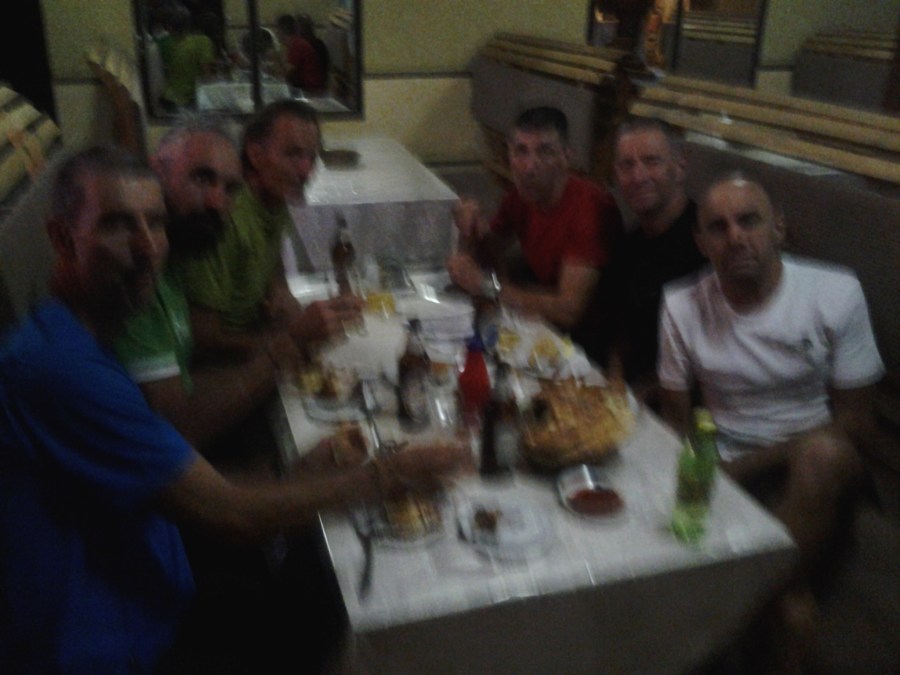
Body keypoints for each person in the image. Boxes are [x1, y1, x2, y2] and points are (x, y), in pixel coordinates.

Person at [0, 146, 468, 672]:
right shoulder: (59, 372)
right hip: (114, 641)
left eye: (155, 223)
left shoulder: (72, 338)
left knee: (316, 556)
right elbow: (231, 515)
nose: (147, 247)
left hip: (149, 572)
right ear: (62, 237)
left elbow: (175, 482)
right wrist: (389, 474)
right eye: (116, 225)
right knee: (337, 613)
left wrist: (291, 474)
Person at [658, 173, 885, 667]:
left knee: (821, 457)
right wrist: (696, 476)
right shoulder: (680, 303)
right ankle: (787, 595)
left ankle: (742, 602)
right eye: (718, 227)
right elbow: (676, 423)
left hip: (816, 457)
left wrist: (743, 466)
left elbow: (857, 421)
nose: (736, 237)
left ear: (778, 227)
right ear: (701, 242)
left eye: (749, 221)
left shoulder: (835, 291)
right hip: (723, 452)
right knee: (791, 611)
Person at [114, 118, 300, 452]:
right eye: (202, 178)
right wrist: (284, 349)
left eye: (230, 190)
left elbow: (188, 380)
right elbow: (179, 428)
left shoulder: (173, 257)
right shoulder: (133, 277)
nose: (218, 203)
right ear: (156, 170)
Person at [175, 100, 362, 358]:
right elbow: (203, 338)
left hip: (259, 336)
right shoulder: (225, 216)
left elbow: (272, 261)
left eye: (312, 157)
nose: (307, 171)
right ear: (255, 155)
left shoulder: (275, 197)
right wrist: (291, 338)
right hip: (223, 362)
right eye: (293, 154)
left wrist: (279, 291)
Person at [447, 106, 621, 333]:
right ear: (509, 154)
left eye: (545, 152)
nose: (529, 167)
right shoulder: (520, 198)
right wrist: (468, 226)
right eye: (521, 151)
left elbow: (569, 311)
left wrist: (488, 287)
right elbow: (486, 252)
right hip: (543, 322)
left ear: (566, 157)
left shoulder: (589, 207)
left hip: (592, 338)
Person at [602, 117, 706, 398]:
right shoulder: (628, 243)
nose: (638, 177)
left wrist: (635, 396)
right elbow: (620, 333)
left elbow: (711, 359)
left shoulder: (708, 244)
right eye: (627, 165)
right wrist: (614, 386)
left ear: (680, 166)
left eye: (652, 161)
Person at [159, 4, 217, 110]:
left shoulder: (163, 43)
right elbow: (207, 76)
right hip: (190, 101)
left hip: (168, 99)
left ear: (168, 27)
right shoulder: (202, 42)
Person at [276, 14, 325, 92]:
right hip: (305, 88)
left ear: (282, 30)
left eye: (277, 30)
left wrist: (275, 57)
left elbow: (285, 73)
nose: (276, 33)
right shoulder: (296, 44)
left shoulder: (297, 45)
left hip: (310, 91)